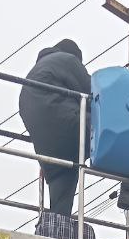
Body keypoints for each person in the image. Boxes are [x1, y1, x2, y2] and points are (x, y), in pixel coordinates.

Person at [19, 38, 91, 218]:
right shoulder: (67, 59)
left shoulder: (34, 74)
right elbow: (93, 93)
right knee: (117, 130)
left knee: (65, 174)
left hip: (47, 149)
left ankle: (58, 228)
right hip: (68, 126)